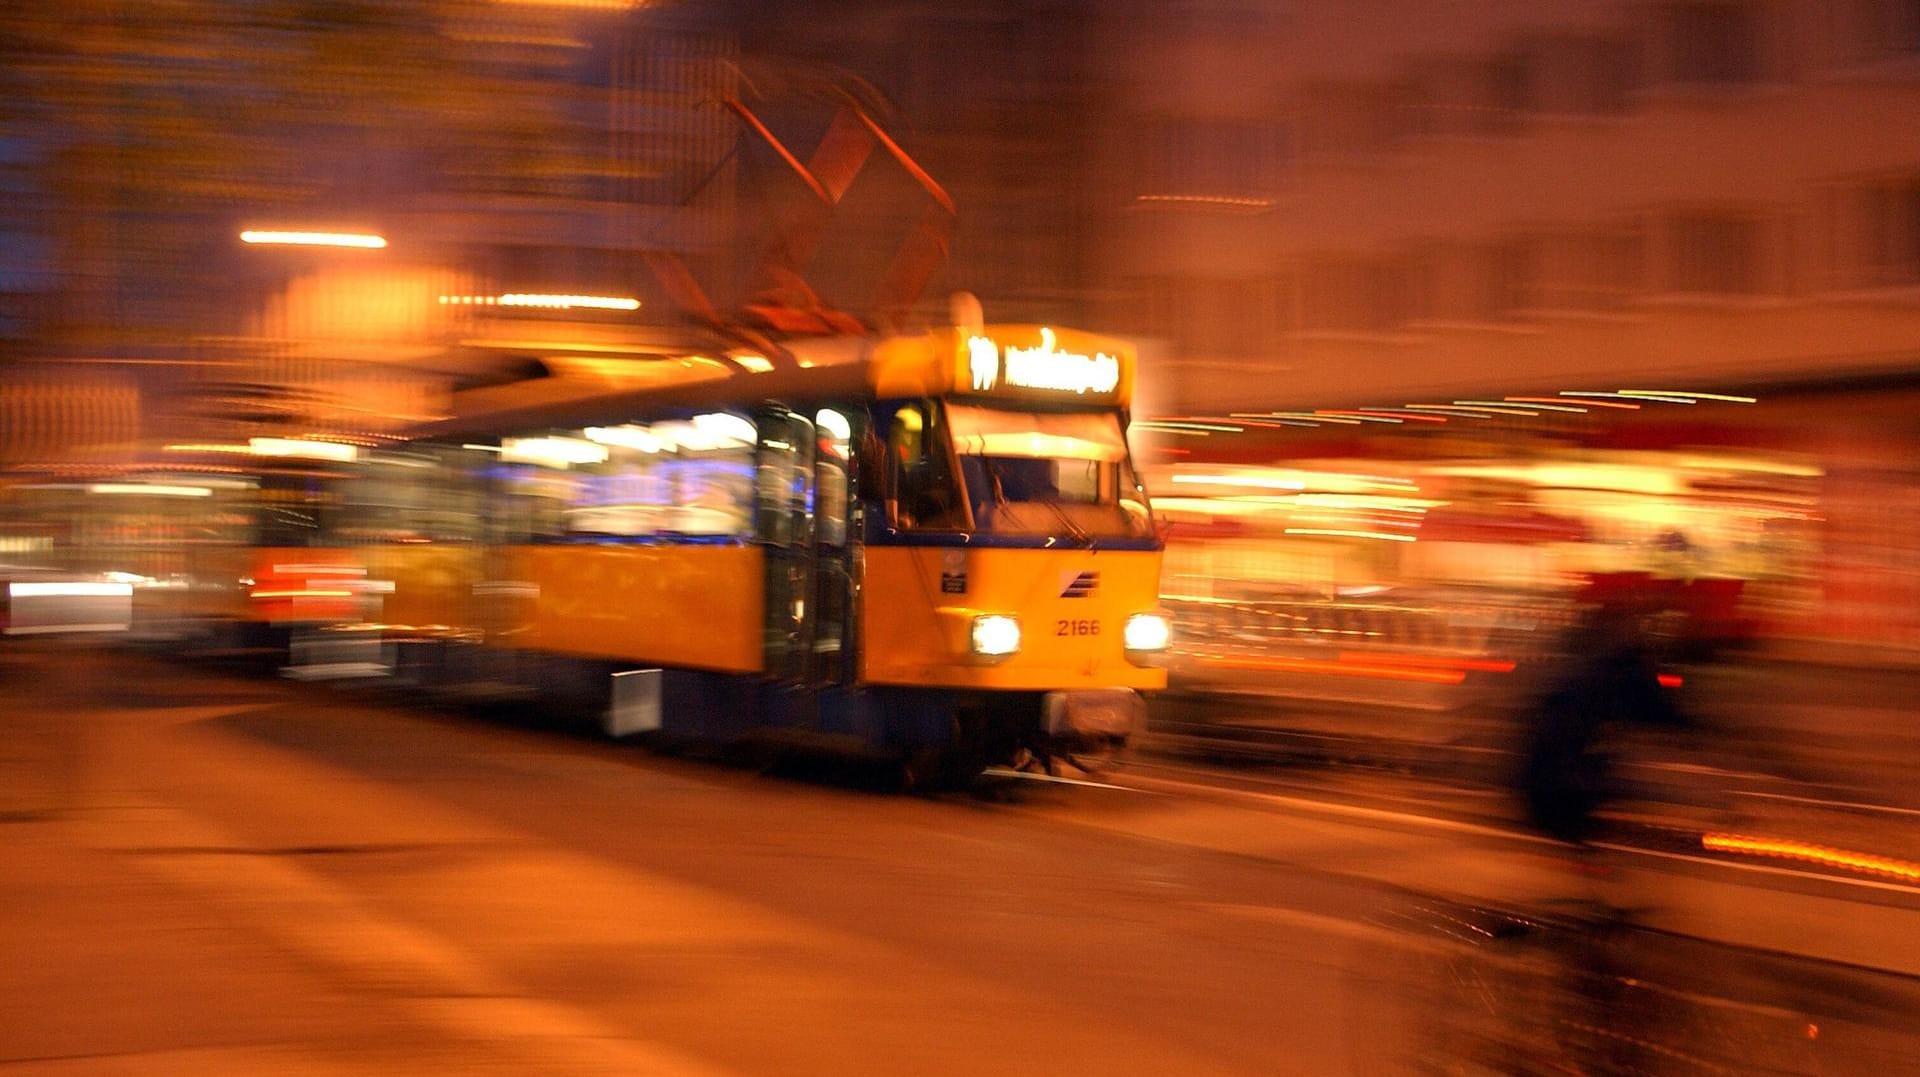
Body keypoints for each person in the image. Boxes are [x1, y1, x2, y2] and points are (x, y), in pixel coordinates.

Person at [1515, 590, 1687, 846]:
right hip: (1565, 787)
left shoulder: (1575, 654)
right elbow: (1654, 708)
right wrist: (1693, 728)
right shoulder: (1619, 665)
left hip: (1539, 782)